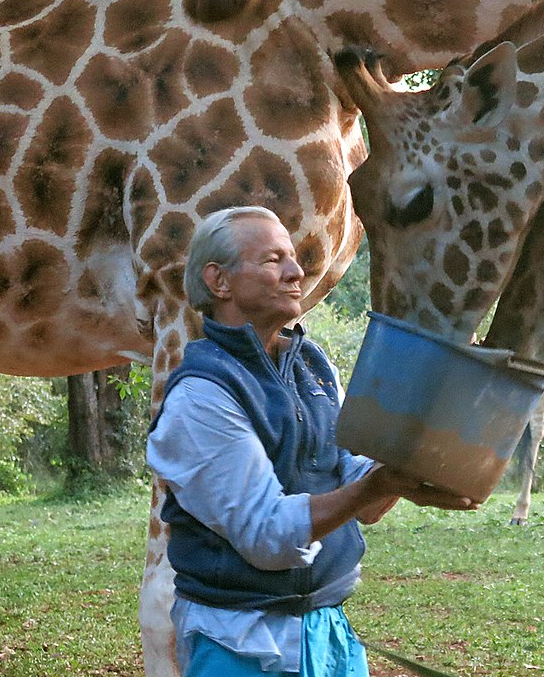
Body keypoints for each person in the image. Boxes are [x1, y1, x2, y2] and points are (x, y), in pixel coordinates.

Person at [148, 205, 475, 676]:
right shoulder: (201, 396)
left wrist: (417, 468)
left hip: (326, 630)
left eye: (293, 258)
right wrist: (382, 484)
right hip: (238, 642)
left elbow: (359, 485)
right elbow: (267, 536)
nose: (296, 271)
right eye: (272, 260)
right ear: (219, 281)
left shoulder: (312, 366)